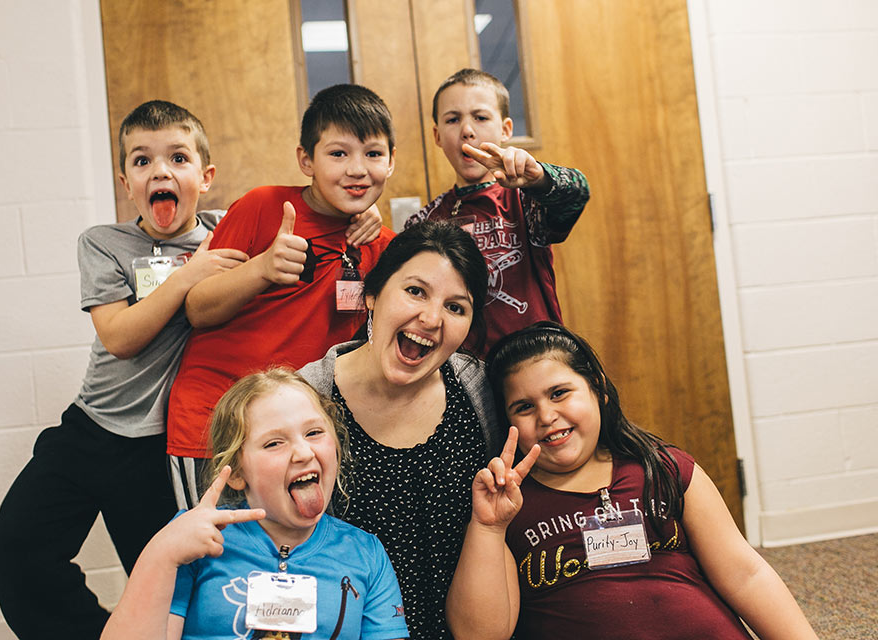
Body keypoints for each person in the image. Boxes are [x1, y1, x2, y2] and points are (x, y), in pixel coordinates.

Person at [0, 100, 251, 640]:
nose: (160, 171)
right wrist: (187, 275)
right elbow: (120, 337)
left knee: (167, 584)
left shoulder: (227, 234)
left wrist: (363, 218)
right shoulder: (103, 244)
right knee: (20, 545)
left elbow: (303, 210)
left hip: (160, 452)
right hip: (90, 430)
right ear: (126, 179)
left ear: (205, 176)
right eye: (142, 160)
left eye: (178, 158)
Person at [447, 322, 819, 640]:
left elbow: (746, 575)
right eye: (524, 407)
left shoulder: (666, 468)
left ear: (598, 389)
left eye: (559, 393)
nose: (546, 415)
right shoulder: (507, 505)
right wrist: (489, 527)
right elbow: (480, 635)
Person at [166, 84, 396, 510]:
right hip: (214, 429)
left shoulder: (382, 244)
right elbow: (197, 309)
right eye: (338, 154)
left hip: (299, 444)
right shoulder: (263, 207)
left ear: (391, 161)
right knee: (216, 566)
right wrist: (262, 269)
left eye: (373, 154)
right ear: (306, 160)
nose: (358, 169)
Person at [298, 221, 503, 639]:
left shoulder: (481, 392)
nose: (430, 318)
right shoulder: (305, 401)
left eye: (456, 307)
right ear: (372, 294)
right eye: (415, 291)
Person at [101, 368, 409, 640]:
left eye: (314, 432)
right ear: (236, 472)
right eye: (274, 443)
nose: (303, 452)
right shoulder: (192, 539)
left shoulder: (366, 554)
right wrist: (162, 555)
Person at [404, 68, 590, 356]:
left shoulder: (527, 200)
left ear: (505, 130)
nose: (467, 129)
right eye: (453, 119)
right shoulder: (423, 221)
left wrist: (539, 178)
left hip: (534, 364)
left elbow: (577, 193)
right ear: (437, 135)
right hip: (461, 376)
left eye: (480, 117)